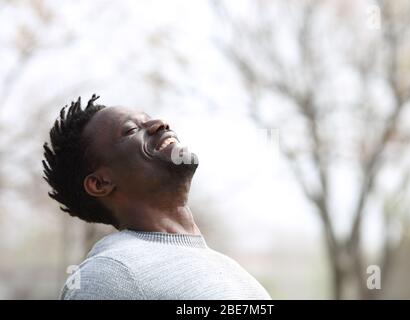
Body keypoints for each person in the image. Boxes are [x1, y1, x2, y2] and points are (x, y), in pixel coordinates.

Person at [42, 94, 271, 300]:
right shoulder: (109, 275)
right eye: (131, 130)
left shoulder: (233, 271)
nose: (160, 123)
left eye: (148, 118)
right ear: (100, 183)